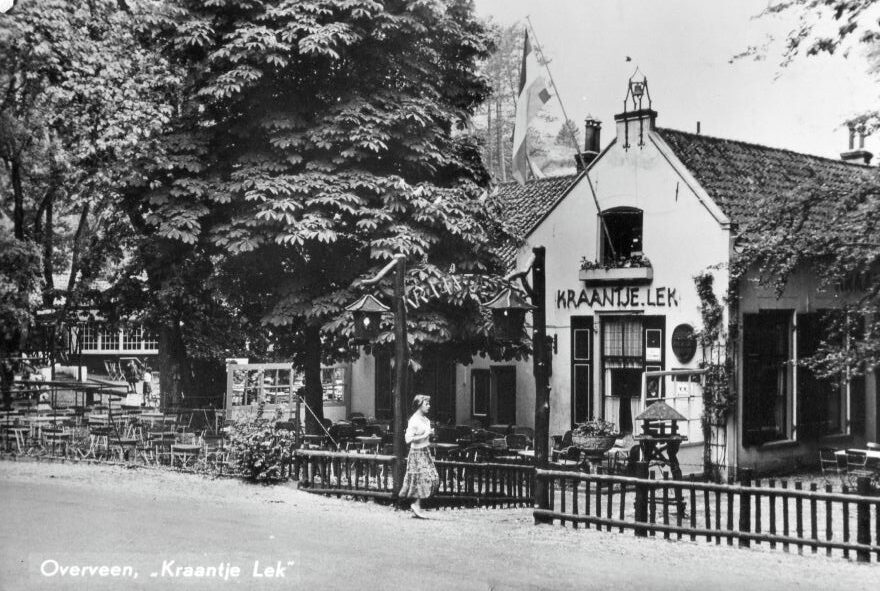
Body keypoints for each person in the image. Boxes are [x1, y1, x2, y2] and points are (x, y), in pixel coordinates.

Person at [399, 394, 439, 519]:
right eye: (426, 404)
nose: (429, 406)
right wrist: (424, 435)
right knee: (422, 478)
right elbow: (408, 439)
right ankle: (416, 505)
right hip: (416, 453)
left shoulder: (426, 420)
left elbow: (426, 436)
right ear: (419, 405)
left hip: (425, 450)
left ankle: (417, 505)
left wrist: (430, 434)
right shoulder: (414, 420)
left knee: (431, 477)